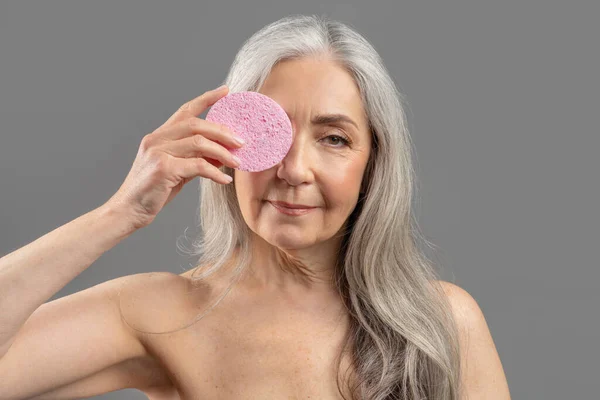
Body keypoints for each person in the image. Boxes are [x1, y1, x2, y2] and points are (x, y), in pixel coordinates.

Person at [0, 14, 510, 400]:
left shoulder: (441, 322)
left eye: (334, 138)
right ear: (227, 142)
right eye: (270, 132)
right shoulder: (163, 314)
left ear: (372, 163)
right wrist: (119, 214)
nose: (294, 169)